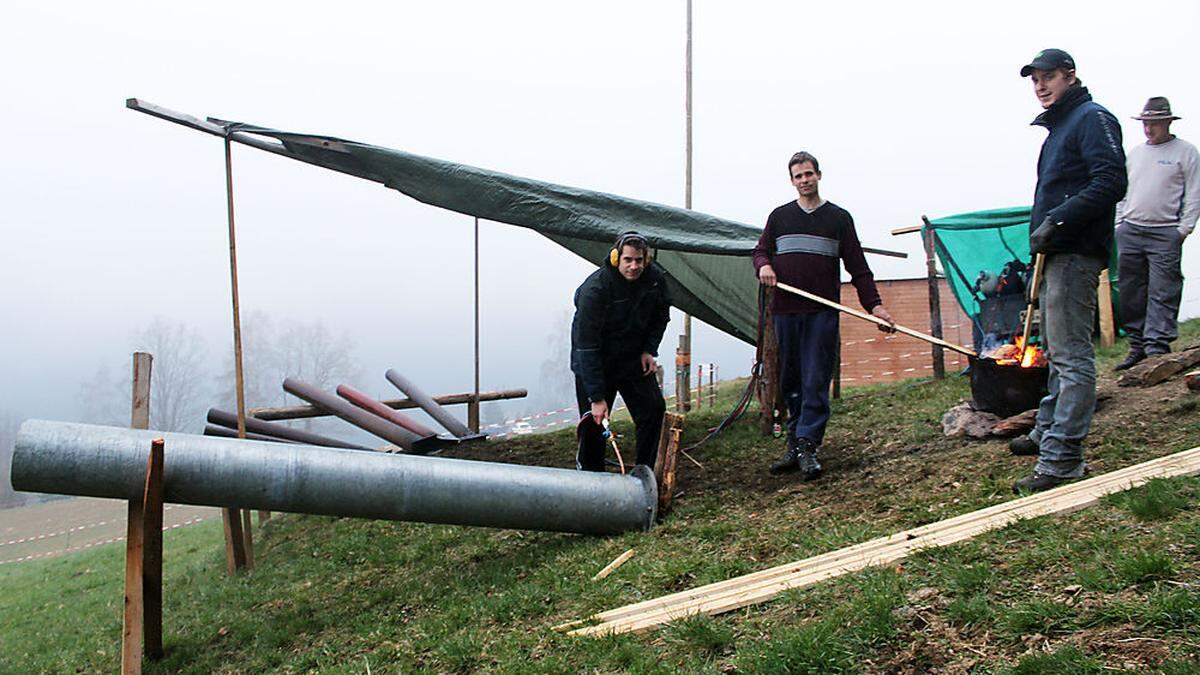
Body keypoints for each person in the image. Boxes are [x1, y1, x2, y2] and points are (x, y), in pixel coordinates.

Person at [1008, 49, 1127, 493]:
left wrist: (1057, 221)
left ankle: (1062, 460)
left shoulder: (1092, 119)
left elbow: (1112, 182)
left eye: (1048, 77)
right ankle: (1046, 431)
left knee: (1073, 356)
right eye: (1035, 80)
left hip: (1077, 250)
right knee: (1058, 350)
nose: (1040, 86)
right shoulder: (1060, 128)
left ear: (1070, 76)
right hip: (1058, 250)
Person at [753, 151, 894, 480]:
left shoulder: (838, 218)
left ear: (819, 175)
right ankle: (794, 443)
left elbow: (858, 268)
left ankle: (808, 446)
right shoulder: (779, 217)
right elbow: (760, 250)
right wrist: (765, 266)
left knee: (816, 379)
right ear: (792, 181)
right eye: (798, 176)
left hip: (821, 313)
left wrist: (876, 307)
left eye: (808, 174)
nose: (804, 180)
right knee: (791, 382)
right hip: (786, 312)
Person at [570, 231, 670, 471]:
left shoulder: (655, 280)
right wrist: (596, 397)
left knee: (653, 409)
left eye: (639, 260)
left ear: (646, 260)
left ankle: (644, 472)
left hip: (632, 358)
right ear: (616, 258)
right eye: (628, 260)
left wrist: (649, 350)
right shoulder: (595, 290)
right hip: (596, 363)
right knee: (595, 425)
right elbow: (587, 347)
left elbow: (661, 317)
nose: (634, 266)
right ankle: (592, 481)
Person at [1114, 97, 1199, 370]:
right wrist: (1119, 223)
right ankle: (1137, 344)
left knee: (1164, 289)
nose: (1149, 129)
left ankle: (1157, 346)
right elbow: (1122, 190)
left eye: (1154, 123)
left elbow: (1194, 193)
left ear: (1167, 123)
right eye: (1146, 123)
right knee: (1131, 290)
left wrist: (1184, 228)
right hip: (1131, 228)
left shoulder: (1185, 152)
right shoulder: (1136, 153)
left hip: (1165, 230)